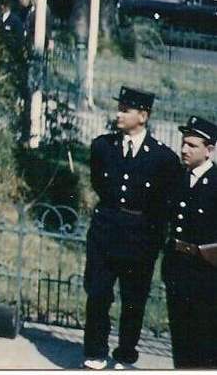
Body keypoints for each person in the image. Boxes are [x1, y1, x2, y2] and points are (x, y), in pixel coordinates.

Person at [82, 86, 178, 369]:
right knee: (98, 293)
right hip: (105, 231)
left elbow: (163, 203)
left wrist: (152, 238)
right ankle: (95, 351)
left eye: (125, 110)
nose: (119, 114)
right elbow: (100, 184)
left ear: (143, 116)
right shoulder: (102, 147)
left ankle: (125, 352)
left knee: (133, 299)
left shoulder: (163, 159)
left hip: (140, 236)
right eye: (119, 108)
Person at [162, 114, 217, 368]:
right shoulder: (177, 179)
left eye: (192, 145)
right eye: (183, 143)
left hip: (208, 275)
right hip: (178, 269)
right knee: (181, 340)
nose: (184, 149)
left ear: (210, 150)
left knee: (206, 342)